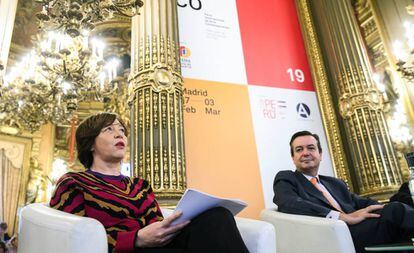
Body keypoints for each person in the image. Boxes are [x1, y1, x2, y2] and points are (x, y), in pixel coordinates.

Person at [50, 112, 248, 253]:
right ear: (90, 143)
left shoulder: (140, 185)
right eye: (109, 129)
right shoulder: (73, 182)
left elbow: (155, 226)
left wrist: (167, 228)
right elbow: (70, 236)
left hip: (157, 247)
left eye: (122, 130)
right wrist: (136, 239)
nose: (120, 134)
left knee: (218, 215)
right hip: (123, 250)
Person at [273, 130, 414, 253]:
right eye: (299, 150)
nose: (305, 153)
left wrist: (381, 207)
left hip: (359, 229)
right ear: (293, 158)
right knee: (397, 211)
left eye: (311, 148)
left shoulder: (334, 183)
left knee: (400, 204)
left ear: (320, 154)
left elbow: (359, 201)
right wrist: (342, 217)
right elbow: (289, 203)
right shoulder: (286, 178)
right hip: (331, 235)